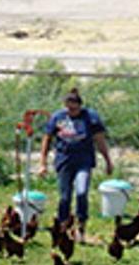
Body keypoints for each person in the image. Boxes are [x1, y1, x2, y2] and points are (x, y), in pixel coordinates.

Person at [41, 89, 114, 232]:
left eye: (74, 109)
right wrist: (43, 163)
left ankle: (81, 224)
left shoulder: (90, 117)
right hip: (64, 159)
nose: (71, 111)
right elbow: (47, 138)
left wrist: (108, 161)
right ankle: (62, 225)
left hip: (84, 160)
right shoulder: (58, 117)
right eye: (68, 108)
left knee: (81, 192)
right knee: (64, 196)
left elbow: (99, 140)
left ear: (80, 106)